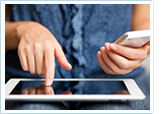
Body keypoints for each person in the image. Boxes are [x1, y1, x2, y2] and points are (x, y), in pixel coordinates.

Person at [5, 4, 150, 110]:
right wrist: (23, 30)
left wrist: (141, 49)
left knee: (114, 110)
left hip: (119, 82)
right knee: (34, 109)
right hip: (29, 82)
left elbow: (144, 22)